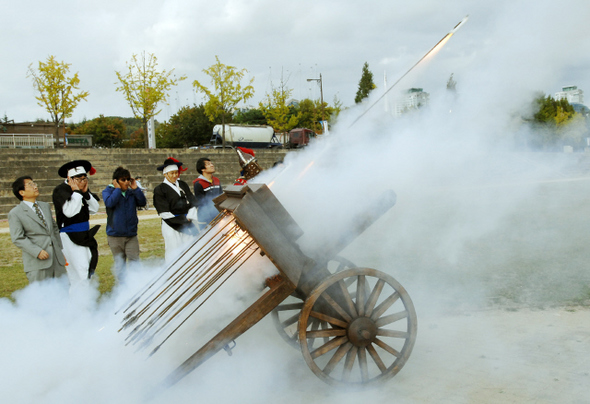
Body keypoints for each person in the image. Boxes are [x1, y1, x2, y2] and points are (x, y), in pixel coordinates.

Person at [52, 160, 101, 291]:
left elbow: (94, 209)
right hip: (69, 235)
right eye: (78, 179)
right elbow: (69, 212)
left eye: (84, 178)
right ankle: (81, 302)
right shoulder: (60, 190)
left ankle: (82, 301)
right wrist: (77, 193)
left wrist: (85, 193)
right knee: (80, 270)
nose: (82, 182)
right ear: (70, 178)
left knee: (86, 267)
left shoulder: (82, 190)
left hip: (84, 234)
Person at [8, 176, 67, 284]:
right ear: (22, 192)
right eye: (30, 184)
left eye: (34, 183)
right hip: (38, 262)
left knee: (62, 293)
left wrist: (59, 250)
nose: (35, 186)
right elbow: (18, 238)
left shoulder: (45, 206)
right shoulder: (15, 213)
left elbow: (54, 229)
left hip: (57, 259)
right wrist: (37, 251)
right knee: (42, 296)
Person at [102, 166, 147, 280]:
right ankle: (122, 290)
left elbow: (142, 202)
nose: (126, 182)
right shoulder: (108, 191)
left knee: (134, 261)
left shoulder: (131, 192)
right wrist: (117, 190)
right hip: (115, 235)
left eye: (128, 179)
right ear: (116, 181)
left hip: (131, 234)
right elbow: (110, 203)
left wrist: (136, 188)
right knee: (120, 265)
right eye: (123, 180)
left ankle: (135, 286)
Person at [153, 158, 199, 261]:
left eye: (176, 172)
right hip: (171, 224)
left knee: (190, 249)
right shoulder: (160, 189)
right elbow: (163, 212)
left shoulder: (182, 184)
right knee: (174, 251)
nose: (174, 175)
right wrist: (182, 220)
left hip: (188, 221)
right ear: (165, 174)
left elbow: (192, 200)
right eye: (171, 173)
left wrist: (190, 216)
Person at [193, 157, 223, 230]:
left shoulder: (217, 181)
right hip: (205, 219)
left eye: (211, 163)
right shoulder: (199, 183)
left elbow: (221, 197)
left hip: (218, 215)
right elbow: (201, 203)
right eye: (208, 164)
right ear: (202, 169)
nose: (212, 165)